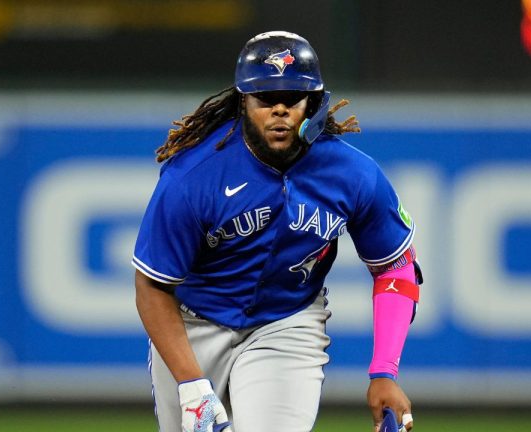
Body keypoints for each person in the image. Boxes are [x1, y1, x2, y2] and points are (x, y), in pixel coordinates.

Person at [132, 30, 420, 432]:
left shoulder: (353, 175)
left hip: (286, 325)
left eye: (293, 97)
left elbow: (395, 268)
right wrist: (191, 385)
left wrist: (384, 372)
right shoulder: (192, 177)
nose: (279, 109)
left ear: (314, 104)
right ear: (243, 102)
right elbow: (152, 286)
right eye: (265, 98)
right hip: (193, 326)